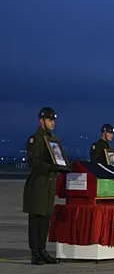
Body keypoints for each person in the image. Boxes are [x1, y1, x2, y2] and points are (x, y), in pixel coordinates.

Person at [24, 107, 69, 265]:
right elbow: (33, 161)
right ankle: (35, 252)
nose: (52, 123)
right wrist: (51, 167)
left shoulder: (53, 140)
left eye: (53, 120)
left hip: (49, 184)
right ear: (41, 121)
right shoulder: (36, 139)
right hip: (38, 184)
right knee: (36, 220)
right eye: (50, 120)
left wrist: (63, 167)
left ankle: (42, 250)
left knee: (45, 220)